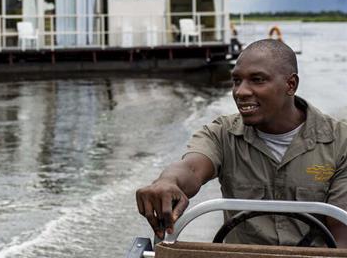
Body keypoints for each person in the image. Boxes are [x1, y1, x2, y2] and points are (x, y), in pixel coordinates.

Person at [135, 39, 347, 247]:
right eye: (237, 81)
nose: (241, 92)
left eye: (257, 80)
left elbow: (342, 238)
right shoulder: (221, 134)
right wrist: (167, 182)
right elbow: (190, 168)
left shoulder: (340, 143)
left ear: (290, 85)